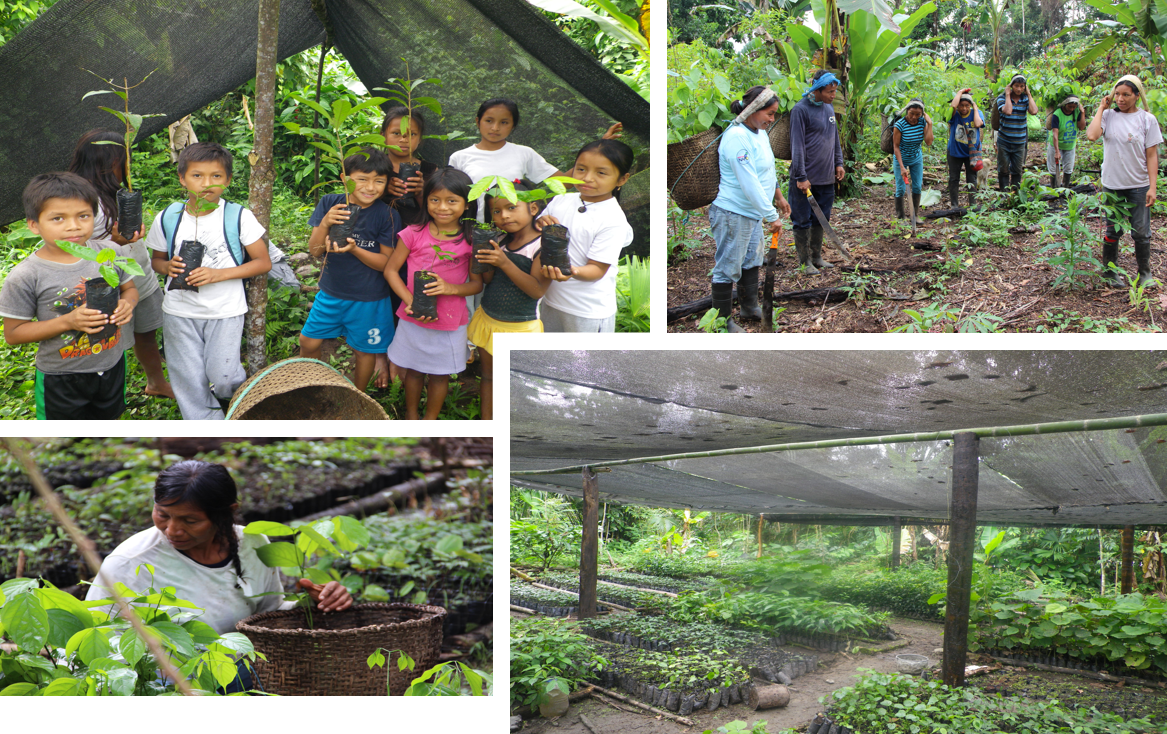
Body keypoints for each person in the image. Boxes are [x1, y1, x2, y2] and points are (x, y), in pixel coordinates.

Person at [85, 460, 352, 689]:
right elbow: (95, 637)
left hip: (244, 667)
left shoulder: (252, 542)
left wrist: (314, 603)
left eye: (190, 521)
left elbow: (268, 613)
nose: (172, 530)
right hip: (170, 684)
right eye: (162, 514)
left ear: (227, 514)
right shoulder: (129, 563)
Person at [146, 142, 271, 420]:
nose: (206, 184)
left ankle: (236, 406)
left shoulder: (238, 217)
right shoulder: (168, 216)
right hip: (179, 312)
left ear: (227, 180)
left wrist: (218, 274)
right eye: (197, 176)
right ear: (182, 179)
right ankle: (208, 426)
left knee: (225, 375)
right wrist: (167, 266)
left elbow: (263, 262)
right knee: (188, 380)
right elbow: (155, 261)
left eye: (216, 176)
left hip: (225, 311)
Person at [0, 172, 138, 419]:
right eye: (58, 218)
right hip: (61, 377)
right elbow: (13, 334)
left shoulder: (110, 252)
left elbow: (129, 289)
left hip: (111, 364)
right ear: (33, 224)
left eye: (83, 216)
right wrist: (68, 321)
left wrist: (127, 303)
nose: (73, 226)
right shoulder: (26, 276)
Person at [69, 129, 173, 400]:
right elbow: (75, 247)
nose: (127, 163)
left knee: (146, 332)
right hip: (110, 284)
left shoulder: (118, 190)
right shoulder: (81, 199)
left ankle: (156, 382)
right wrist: (113, 240)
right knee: (114, 342)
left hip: (140, 274)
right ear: (107, 161)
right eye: (122, 158)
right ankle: (110, 397)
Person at [299, 147, 401, 392]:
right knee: (308, 341)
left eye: (379, 181)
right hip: (330, 293)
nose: (370, 187)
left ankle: (357, 395)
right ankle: (316, 385)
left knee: (364, 351)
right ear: (345, 179)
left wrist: (355, 249)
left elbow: (386, 263)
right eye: (362, 179)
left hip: (369, 299)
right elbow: (314, 250)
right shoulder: (330, 202)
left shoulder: (387, 214)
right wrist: (325, 222)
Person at [384, 167, 483, 419]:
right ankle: (412, 416)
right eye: (435, 200)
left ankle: (430, 420)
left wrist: (451, 288)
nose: (442, 207)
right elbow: (391, 271)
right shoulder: (413, 233)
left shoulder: (471, 240)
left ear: (467, 204)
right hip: (412, 319)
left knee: (440, 375)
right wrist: (410, 302)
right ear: (425, 200)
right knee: (414, 371)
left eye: (452, 201)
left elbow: (476, 285)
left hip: (449, 322)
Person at [707, 86, 790, 332]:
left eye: (774, 114)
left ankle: (748, 306)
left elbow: (765, 169)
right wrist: (771, 217)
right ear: (753, 109)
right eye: (770, 113)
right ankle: (722, 322)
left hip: (752, 212)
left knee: (751, 259)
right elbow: (749, 182)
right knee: (729, 265)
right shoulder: (736, 137)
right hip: (734, 211)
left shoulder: (759, 132)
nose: (772, 119)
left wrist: (778, 195)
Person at [469, 179, 552, 420]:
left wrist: (504, 262)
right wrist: (482, 257)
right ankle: (487, 423)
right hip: (489, 319)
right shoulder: (501, 240)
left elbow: (536, 290)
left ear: (533, 208)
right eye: (496, 211)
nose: (504, 215)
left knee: (512, 383)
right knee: (487, 376)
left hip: (519, 327)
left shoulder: (542, 245)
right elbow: (487, 280)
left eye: (512, 207)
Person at [537, 139, 636, 333]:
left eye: (601, 172)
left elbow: (597, 269)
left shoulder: (612, 219)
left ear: (622, 179)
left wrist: (569, 271)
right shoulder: (561, 199)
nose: (587, 178)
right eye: (581, 169)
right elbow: (536, 229)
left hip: (586, 312)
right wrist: (539, 223)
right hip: (551, 301)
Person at [378, 107, 438, 386]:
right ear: (383, 135)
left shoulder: (429, 170)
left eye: (412, 134)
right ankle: (380, 353)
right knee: (377, 296)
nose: (404, 140)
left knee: (408, 293)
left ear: (420, 139)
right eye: (396, 133)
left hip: (415, 245)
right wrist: (381, 188)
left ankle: (404, 356)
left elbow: (440, 210)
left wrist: (421, 192)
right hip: (378, 240)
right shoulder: (372, 165)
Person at [1086, 75, 1164, 288]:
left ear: (1137, 96)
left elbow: (1151, 156)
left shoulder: (1147, 120)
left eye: (1126, 95)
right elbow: (1092, 136)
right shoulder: (1108, 116)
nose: (1120, 98)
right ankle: (1110, 272)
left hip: (1138, 184)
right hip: (1112, 184)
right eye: (1117, 94)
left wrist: (1152, 187)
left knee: (1141, 231)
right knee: (1113, 230)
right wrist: (1102, 108)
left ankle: (1145, 273)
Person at [789, 70, 845, 276]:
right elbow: (797, 146)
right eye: (830, 91)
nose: (833, 95)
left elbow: (834, 138)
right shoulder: (800, 110)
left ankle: (817, 256)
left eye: (835, 91)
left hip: (826, 176)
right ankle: (805, 262)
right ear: (817, 89)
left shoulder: (829, 108)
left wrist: (838, 163)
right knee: (802, 219)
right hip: (806, 179)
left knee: (822, 217)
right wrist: (801, 177)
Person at [893, 99, 934, 218]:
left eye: (918, 114)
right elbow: (896, 147)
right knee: (900, 188)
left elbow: (929, 142)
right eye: (911, 113)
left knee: (917, 186)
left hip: (916, 158)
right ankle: (901, 217)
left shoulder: (922, 122)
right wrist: (902, 167)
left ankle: (915, 215)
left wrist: (929, 124)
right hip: (901, 157)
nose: (914, 117)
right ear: (907, 111)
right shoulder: (899, 125)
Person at [996, 74, 1037, 191]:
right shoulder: (1002, 98)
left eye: (1022, 86)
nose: (1019, 89)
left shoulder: (1025, 99)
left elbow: (1034, 111)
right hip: (1004, 141)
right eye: (1016, 86)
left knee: (1017, 170)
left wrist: (1029, 94)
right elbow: (1008, 111)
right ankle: (1004, 195)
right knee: (1003, 169)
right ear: (1011, 86)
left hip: (1020, 142)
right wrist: (1008, 94)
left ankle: (1015, 194)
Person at [946, 89, 983, 208]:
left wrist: (975, 108)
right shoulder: (954, 114)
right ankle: (954, 205)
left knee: (972, 179)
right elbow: (953, 106)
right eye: (961, 105)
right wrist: (960, 92)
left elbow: (978, 124)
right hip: (955, 151)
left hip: (972, 153)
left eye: (967, 106)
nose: (964, 108)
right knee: (954, 178)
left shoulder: (977, 113)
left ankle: (973, 204)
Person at [1047, 96, 1087, 188]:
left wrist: (1082, 112)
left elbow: (1081, 127)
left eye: (1074, 107)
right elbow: (1055, 134)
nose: (1072, 109)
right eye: (1070, 107)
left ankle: (1065, 189)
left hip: (1070, 145)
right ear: (1065, 104)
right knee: (1053, 168)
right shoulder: (1057, 114)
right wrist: (1057, 152)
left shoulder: (1077, 112)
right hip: (1056, 145)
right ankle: (1054, 188)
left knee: (1068, 168)